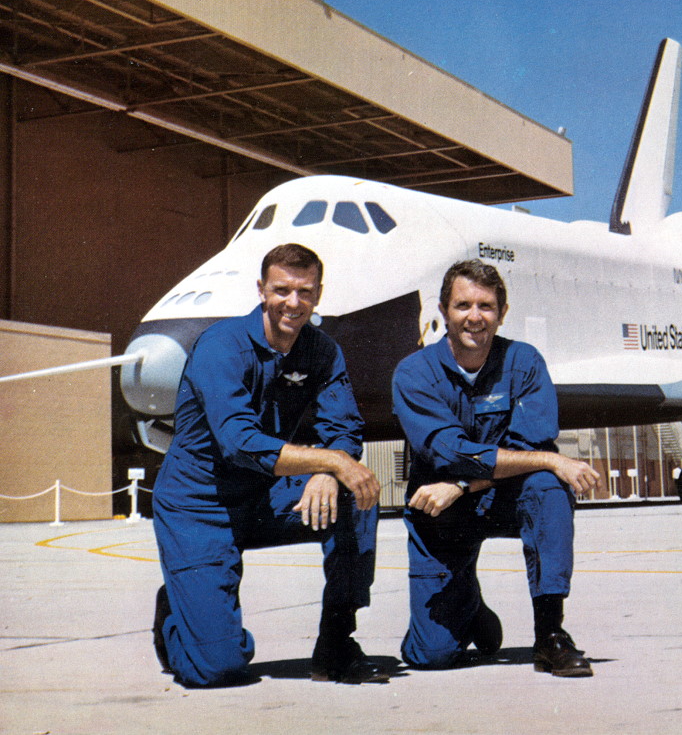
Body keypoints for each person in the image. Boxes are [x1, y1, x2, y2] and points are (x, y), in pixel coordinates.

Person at [151, 243, 387, 688]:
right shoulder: (221, 346)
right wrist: (330, 459)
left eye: (305, 292)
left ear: (318, 294)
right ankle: (177, 614)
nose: (293, 303)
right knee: (218, 667)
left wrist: (327, 472)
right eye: (282, 290)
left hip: (265, 496)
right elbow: (239, 442)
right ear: (261, 290)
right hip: (199, 504)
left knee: (356, 494)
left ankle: (337, 645)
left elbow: (345, 427)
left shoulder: (322, 351)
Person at [392, 259, 602, 677]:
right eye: (463, 305)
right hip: (441, 512)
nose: (475, 317)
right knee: (431, 656)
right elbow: (449, 452)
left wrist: (463, 484)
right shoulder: (414, 373)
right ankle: (469, 606)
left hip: (498, 498)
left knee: (547, 485)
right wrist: (551, 458)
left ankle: (550, 635)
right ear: (443, 311)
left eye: (486, 306)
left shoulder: (524, 363)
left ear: (502, 313)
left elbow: (530, 445)